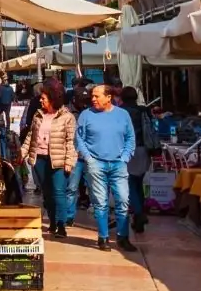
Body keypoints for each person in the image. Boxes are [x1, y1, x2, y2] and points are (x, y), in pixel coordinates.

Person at [76, 83, 138, 252]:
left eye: (97, 96)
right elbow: (79, 139)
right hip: (96, 163)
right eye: (92, 96)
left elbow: (130, 138)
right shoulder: (86, 115)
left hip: (118, 163)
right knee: (100, 203)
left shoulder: (123, 114)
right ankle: (103, 237)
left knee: (123, 200)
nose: (93, 99)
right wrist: (88, 158)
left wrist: (125, 157)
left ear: (109, 97)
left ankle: (122, 237)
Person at [21, 80, 78, 240]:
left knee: (59, 191)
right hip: (39, 158)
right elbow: (30, 138)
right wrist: (22, 153)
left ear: (53, 99)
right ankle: (52, 220)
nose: (40, 100)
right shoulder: (38, 115)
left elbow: (70, 141)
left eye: (44, 98)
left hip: (58, 159)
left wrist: (69, 161)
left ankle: (61, 224)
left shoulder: (67, 117)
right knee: (47, 193)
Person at [119, 86, 159, 232]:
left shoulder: (120, 111)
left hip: (127, 150)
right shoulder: (144, 110)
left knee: (130, 183)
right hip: (144, 149)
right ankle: (138, 218)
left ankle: (138, 213)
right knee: (138, 182)